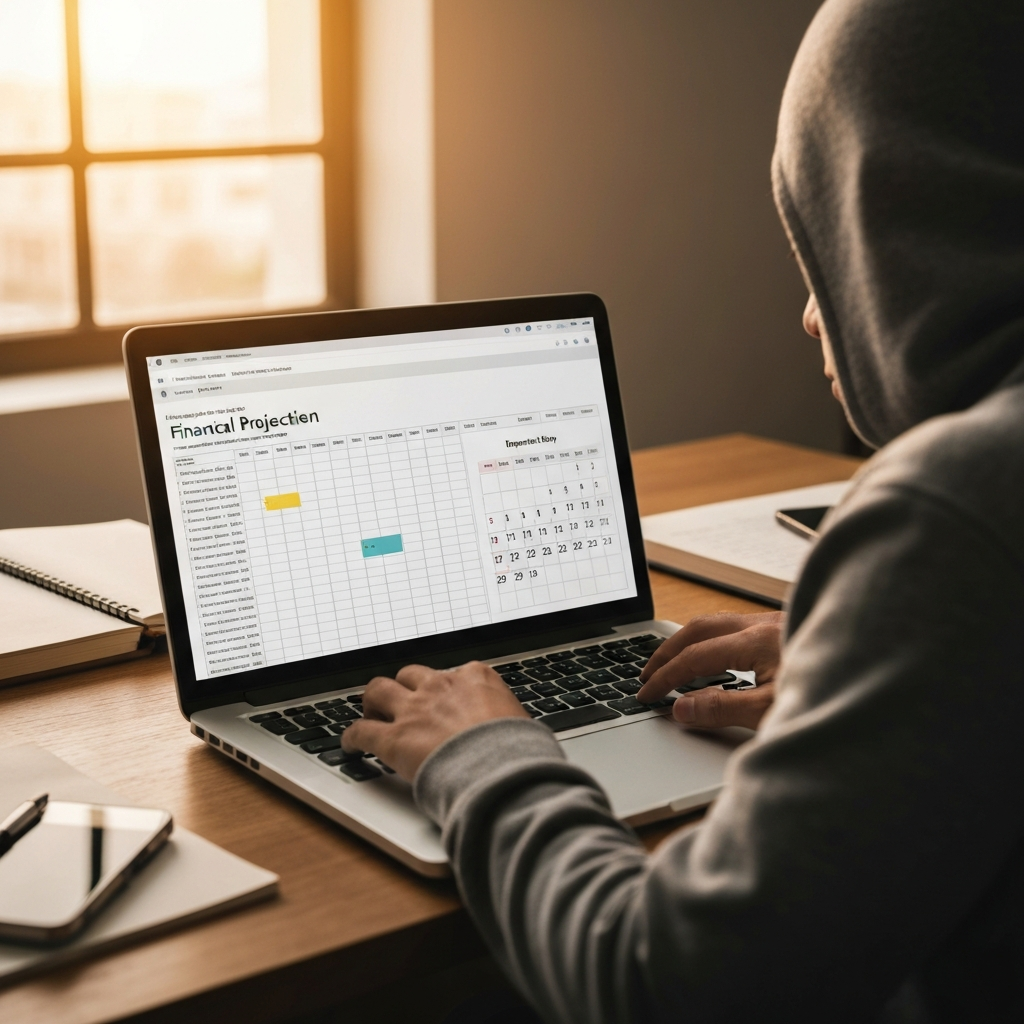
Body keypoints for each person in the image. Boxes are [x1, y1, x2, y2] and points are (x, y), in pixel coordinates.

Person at [344, 0, 1024, 1019]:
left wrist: (477, 753)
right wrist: (875, 664)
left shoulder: (961, 507)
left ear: (923, 220)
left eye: (825, 246)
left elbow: (661, 988)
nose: (809, 311)